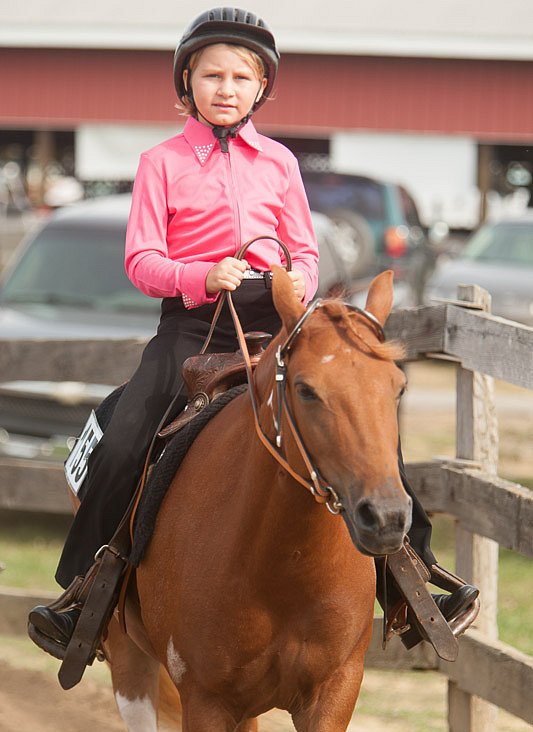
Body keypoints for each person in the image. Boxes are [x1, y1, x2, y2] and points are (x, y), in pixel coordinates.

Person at [28, 7, 477, 665]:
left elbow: (304, 249)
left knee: (365, 429)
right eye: (212, 75)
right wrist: (201, 274)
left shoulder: (279, 162)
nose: (227, 87)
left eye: (242, 76)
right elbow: (140, 260)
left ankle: (415, 587)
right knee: (125, 436)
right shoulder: (160, 162)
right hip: (190, 325)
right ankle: (85, 594)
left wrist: (291, 279)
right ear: (187, 83)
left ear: (261, 87)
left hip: (277, 323)